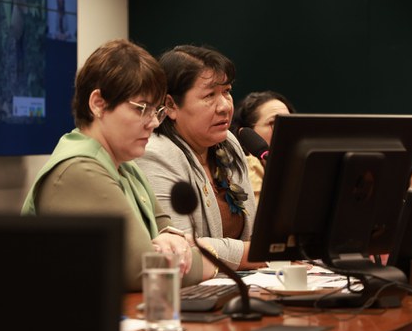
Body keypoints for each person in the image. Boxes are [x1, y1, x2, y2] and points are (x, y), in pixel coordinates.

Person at [21, 39, 216, 291]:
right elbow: (141, 270)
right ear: (98, 104)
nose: (154, 123)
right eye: (142, 109)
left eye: (156, 111)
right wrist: (211, 262)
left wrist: (171, 241)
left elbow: (169, 232)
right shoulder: (79, 169)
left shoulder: (126, 165)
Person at [136, 45, 265, 271]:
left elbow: (254, 238)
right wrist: (257, 253)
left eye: (227, 91)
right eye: (209, 95)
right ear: (170, 106)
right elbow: (184, 250)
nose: (225, 106)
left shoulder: (229, 143)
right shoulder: (155, 153)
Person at [230, 90, 296, 201]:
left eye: (290, 122)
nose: (286, 130)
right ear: (249, 134)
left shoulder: (297, 165)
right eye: (273, 123)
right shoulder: (244, 171)